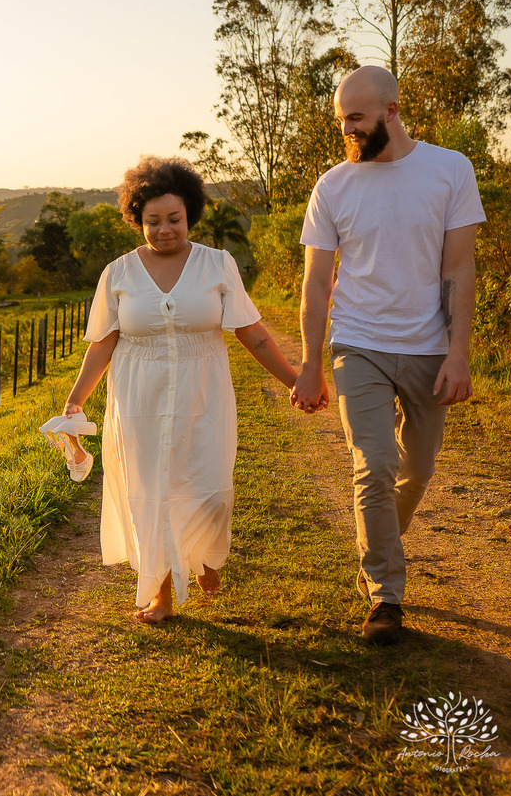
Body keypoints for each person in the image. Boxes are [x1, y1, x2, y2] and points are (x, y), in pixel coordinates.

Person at [293, 65, 485, 645]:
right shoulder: (333, 185)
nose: (346, 129)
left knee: (417, 469)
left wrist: (458, 353)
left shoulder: (449, 170)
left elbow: (458, 268)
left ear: (392, 110)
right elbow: (316, 283)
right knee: (372, 464)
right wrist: (309, 362)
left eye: (356, 117)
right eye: (340, 119)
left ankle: (378, 547)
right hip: (358, 345)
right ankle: (385, 596)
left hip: (429, 348)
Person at [64, 156, 298, 624]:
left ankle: (207, 554)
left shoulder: (218, 264)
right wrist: (76, 398)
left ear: (190, 214)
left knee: (210, 489)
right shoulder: (119, 273)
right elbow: (103, 343)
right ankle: (162, 595)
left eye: (174, 219)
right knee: (153, 494)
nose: (165, 229)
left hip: (203, 392)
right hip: (138, 398)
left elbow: (252, 333)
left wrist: (297, 380)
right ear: (138, 220)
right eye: (153, 221)